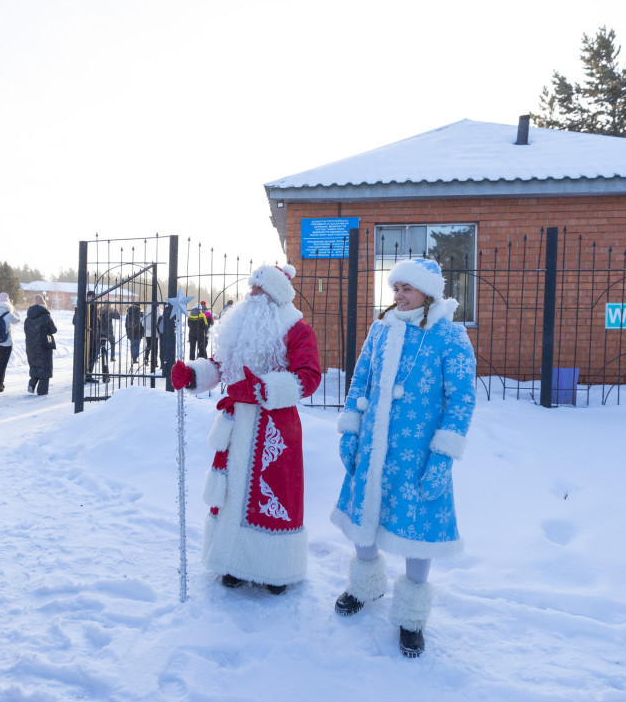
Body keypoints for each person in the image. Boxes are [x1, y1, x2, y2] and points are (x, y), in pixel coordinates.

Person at [330, 257, 476, 658]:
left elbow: (461, 398)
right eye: (395, 288)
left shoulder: (449, 336)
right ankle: (365, 585)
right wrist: (351, 429)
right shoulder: (381, 330)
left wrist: (443, 456)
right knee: (365, 517)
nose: (398, 295)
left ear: (428, 293)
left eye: (406, 288)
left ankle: (412, 617)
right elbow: (360, 378)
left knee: (417, 528)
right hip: (374, 447)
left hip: (418, 455)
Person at [170, 264, 321, 594]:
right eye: (251, 288)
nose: (251, 295)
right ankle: (232, 561)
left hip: (275, 428)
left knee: (273, 493)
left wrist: (262, 389)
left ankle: (275, 568)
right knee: (232, 492)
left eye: (258, 289)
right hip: (238, 423)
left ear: (274, 296)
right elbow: (221, 365)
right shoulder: (240, 325)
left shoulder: (297, 329)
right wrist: (193, 375)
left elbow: (309, 377)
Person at [23, 294, 57, 395]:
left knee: (35, 365)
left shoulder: (27, 319)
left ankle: (32, 384)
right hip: (44, 345)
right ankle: (42, 391)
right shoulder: (46, 317)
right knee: (44, 367)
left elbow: (26, 331)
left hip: (31, 346)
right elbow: (54, 330)